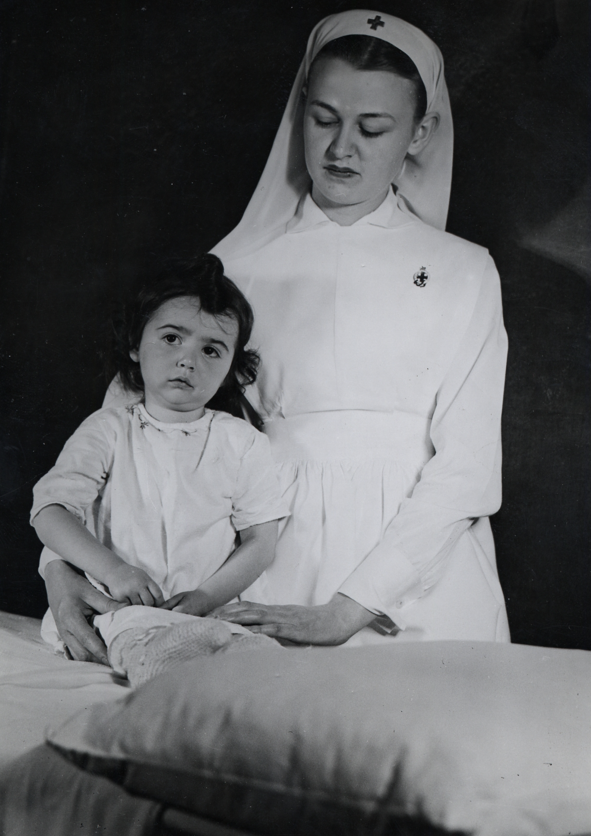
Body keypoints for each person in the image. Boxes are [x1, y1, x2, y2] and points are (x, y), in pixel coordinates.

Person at [43, 10, 510, 660]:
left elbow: (467, 468)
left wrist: (347, 610)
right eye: (324, 119)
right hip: (262, 557)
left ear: (419, 133)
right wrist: (59, 572)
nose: (341, 149)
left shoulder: (464, 271)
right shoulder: (231, 269)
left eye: (373, 128)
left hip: (416, 574)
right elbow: (123, 431)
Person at [31, 256, 288, 681]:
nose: (188, 360)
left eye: (211, 350)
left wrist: (205, 598)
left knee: (245, 648)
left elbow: (261, 542)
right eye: (171, 338)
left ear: (230, 368)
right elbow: (50, 510)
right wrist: (114, 572)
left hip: (205, 611)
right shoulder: (108, 429)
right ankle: (163, 669)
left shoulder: (242, 443)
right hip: (117, 607)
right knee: (136, 636)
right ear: (136, 345)